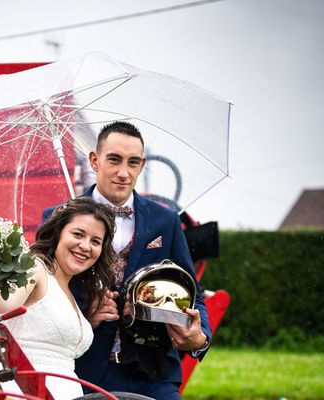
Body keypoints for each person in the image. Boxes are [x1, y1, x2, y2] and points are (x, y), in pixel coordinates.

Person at [42, 121, 212, 399]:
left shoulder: (165, 221)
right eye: (114, 160)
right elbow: (46, 299)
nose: (124, 172)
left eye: (133, 162)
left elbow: (194, 295)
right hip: (85, 372)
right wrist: (87, 317)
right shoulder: (58, 218)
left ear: (142, 166)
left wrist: (200, 338)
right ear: (95, 161)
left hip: (154, 373)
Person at [0, 197, 117, 400]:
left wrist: (90, 321)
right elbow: (3, 304)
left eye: (95, 241)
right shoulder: (36, 269)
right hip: (25, 390)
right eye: (78, 234)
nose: (86, 246)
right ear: (58, 234)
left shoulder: (69, 292)